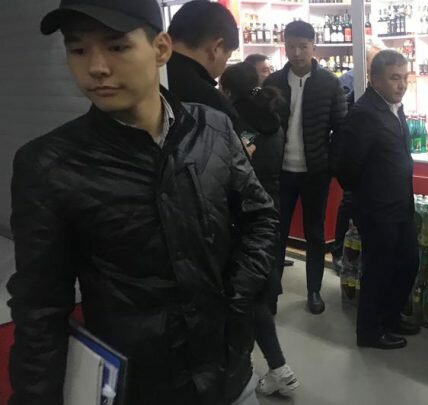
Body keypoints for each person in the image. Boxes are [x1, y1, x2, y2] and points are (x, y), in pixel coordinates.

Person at [7, 1, 278, 404]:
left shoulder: (212, 129)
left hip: (231, 376)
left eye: (117, 46)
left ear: (161, 48)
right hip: (140, 387)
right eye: (78, 49)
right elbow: (40, 307)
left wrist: (236, 297)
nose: (96, 67)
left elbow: (261, 218)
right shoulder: (50, 165)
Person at [219, 62, 300, 397]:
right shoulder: (271, 114)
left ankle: (268, 369)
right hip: (270, 206)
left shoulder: (240, 122)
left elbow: (242, 157)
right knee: (260, 290)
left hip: (245, 211)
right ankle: (276, 368)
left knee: (247, 295)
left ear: (228, 91)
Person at [336, 50, 421, 350]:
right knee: (379, 269)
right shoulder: (364, 113)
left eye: (405, 77)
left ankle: (390, 316)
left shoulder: (393, 107)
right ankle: (369, 331)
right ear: (375, 79)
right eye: (395, 78)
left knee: (407, 262)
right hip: (377, 207)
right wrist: (367, 195)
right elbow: (346, 166)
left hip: (400, 204)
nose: (402, 84)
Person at [263, 20, 347, 314]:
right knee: (275, 233)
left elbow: (341, 127)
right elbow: (260, 124)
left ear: (314, 46)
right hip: (280, 172)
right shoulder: (273, 81)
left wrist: (330, 165)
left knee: (315, 234)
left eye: (303, 46)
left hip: (315, 172)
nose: (296, 53)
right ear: (284, 46)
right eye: (291, 46)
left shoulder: (329, 83)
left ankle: (314, 290)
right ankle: (271, 292)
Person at [332, 36, 386, 272]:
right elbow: (342, 117)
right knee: (348, 202)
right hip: (353, 150)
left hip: (375, 152)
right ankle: (338, 252)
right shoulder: (347, 81)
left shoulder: (382, 81)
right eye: (375, 59)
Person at [166, 0, 246, 133]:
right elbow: (240, 142)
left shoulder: (146, 77)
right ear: (217, 48)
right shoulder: (212, 103)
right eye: (227, 57)